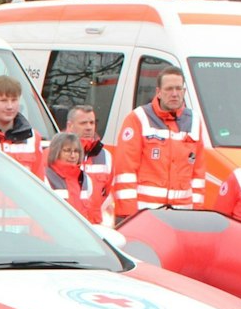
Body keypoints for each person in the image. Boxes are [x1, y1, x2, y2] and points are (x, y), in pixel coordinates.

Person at [110, 67, 204, 219]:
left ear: (184, 91)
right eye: (169, 89)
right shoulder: (138, 118)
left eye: (178, 88)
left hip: (183, 214)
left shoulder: (194, 121)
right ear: (158, 92)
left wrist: (198, 213)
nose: (174, 94)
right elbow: (125, 169)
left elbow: (198, 173)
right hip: (145, 214)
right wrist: (127, 214)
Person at [64, 105, 113, 222]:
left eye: (92, 123)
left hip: (95, 227)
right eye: (83, 123)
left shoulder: (105, 156)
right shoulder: (56, 153)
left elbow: (109, 197)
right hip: (65, 225)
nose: (89, 128)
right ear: (70, 126)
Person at [42, 132, 102, 223]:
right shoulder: (45, 177)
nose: (73, 155)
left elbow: (92, 213)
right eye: (67, 151)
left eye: (76, 151)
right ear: (56, 152)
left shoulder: (86, 180)